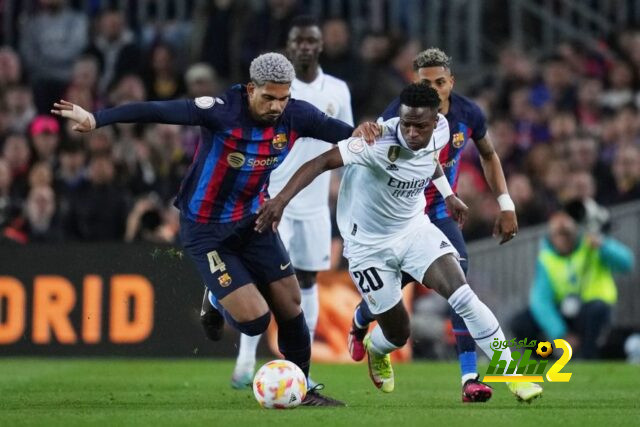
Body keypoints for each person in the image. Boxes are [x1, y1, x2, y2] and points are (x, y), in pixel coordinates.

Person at [52, 52, 378, 406]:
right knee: (255, 321)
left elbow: (347, 136)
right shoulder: (221, 109)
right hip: (205, 229)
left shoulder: (297, 115)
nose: (276, 106)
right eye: (268, 97)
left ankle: (302, 391)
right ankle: (215, 299)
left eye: (283, 98)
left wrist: (366, 130)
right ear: (251, 89)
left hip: (254, 219)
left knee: (292, 305)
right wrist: (97, 118)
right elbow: (158, 110)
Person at [255, 83, 542, 402]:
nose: (411, 132)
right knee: (397, 333)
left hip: (414, 230)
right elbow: (319, 163)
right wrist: (279, 201)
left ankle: (513, 374)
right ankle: (376, 350)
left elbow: (429, 158)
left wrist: (448, 195)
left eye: (420, 125)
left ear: (435, 122)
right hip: (368, 247)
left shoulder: (442, 130)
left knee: (463, 296)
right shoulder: (375, 142)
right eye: (406, 123)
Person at [348, 47, 517, 403]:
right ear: (416, 83)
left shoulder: (468, 112)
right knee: (396, 290)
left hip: (439, 213)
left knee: (459, 285)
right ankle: (363, 317)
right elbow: (371, 155)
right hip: (398, 220)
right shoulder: (401, 113)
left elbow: (488, 154)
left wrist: (505, 203)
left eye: (441, 82)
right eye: (428, 83)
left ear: (451, 82)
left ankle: (470, 376)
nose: (436, 89)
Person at [222, 15, 354, 389]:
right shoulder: (277, 90)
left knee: (308, 280)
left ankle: (298, 367)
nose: (305, 47)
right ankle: (245, 361)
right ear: (289, 46)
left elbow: (347, 143)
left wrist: (344, 193)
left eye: (312, 40)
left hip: (313, 203)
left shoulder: (338, 90)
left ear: (320, 45)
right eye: (299, 41)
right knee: (263, 282)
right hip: (269, 198)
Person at [511, 211, 634, 359]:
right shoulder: (546, 258)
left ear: (576, 232)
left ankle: (588, 359)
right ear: (551, 236)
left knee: (596, 310)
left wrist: (603, 245)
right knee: (520, 323)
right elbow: (540, 301)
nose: (564, 239)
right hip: (563, 312)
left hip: (590, 310)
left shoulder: (592, 245)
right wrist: (560, 333)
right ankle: (547, 361)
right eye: (559, 234)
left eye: (567, 234)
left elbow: (627, 263)